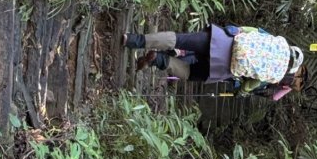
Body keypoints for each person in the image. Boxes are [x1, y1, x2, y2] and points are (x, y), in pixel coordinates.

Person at [122, 24, 306, 98]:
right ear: (291, 68)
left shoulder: (277, 41)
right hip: (222, 68)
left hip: (221, 40)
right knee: (188, 72)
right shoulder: (276, 75)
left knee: (178, 39)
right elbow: (250, 84)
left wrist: (234, 29)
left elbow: (250, 30)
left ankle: (133, 40)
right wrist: (241, 91)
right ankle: (160, 59)